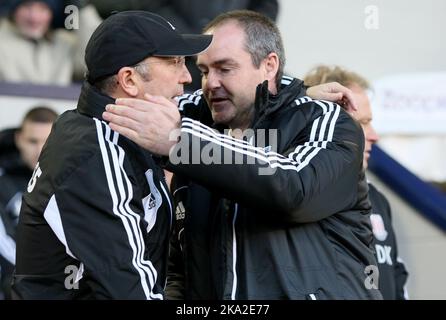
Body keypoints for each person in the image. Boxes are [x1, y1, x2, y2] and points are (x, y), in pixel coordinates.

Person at [103, 10, 382, 299]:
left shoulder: (327, 121)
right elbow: (181, 272)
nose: (210, 82)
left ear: (269, 65)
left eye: (225, 68)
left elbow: (294, 188)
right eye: (205, 70)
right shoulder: (199, 122)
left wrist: (180, 143)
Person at [11, 11, 212, 300]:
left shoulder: (116, 130)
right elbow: (131, 292)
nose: (187, 77)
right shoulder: (94, 153)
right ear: (129, 81)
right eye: (175, 62)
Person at [304, 65, 409, 300]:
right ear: (328, 126)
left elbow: (397, 279)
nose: (374, 135)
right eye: (363, 122)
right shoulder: (301, 196)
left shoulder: (378, 199)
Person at [0, 106, 57, 300]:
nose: (39, 149)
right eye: (32, 141)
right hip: (15, 277)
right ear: (18, 139)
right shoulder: (2, 180)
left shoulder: (76, 179)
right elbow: (2, 242)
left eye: (47, 141)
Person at [0, 0, 101, 85]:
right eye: (27, 7)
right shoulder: (2, 42)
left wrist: (83, 10)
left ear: (52, 14)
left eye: (42, 9)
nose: (34, 18)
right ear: (13, 12)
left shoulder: (64, 43)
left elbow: (95, 60)